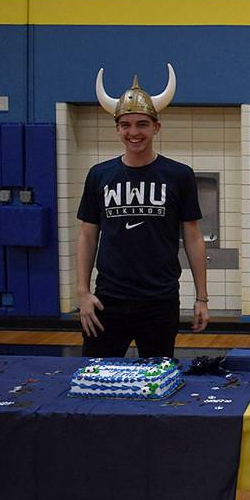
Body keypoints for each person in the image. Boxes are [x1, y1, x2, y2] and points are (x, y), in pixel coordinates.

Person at [77, 63, 209, 358]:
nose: (133, 132)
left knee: (158, 384)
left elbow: (193, 238)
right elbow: (87, 235)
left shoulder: (179, 175)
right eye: (126, 125)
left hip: (159, 300)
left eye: (142, 124)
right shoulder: (99, 175)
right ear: (117, 128)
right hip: (108, 300)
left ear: (156, 127)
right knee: (96, 382)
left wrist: (202, 298)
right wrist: (83, 294)